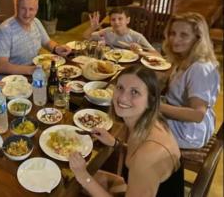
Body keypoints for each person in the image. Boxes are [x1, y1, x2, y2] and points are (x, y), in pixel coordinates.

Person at [69, 65, 183, 197]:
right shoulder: (148, 123)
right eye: (120, 88)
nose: (122, 98)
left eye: (134, 92)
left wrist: (83, 176)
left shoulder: (148, 155)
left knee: (76, 183)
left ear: (150, 101)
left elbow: (142, 159)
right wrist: (116, 143)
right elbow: (137, 155)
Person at [160, 12, 220, 149]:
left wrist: (157, 106)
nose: (175, 40)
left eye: (184, 35)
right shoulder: (185, 58)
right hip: (180, 119)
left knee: (133, 121)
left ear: (198, 39)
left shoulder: (200, 68)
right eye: (172, 33)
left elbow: (197, 114)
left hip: (189, 131)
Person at [0, 0, 71, 75]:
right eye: (23, 8)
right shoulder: (5, 29)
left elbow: (47, 42)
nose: (27, 14)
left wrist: (57, 48)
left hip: (33, 71)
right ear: (17, 8)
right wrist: (31, 70)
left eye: (31, 9)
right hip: (12, 78)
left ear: (36, 10)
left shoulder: (36, 22)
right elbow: (1, 66)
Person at [83, 8, 157, 54]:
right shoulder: (106, 32)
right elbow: (86, 36)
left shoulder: (137, 37)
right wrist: (92, 28)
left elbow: (156, 54)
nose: (116, 22)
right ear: (110, 21)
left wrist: (140, 51)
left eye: (120, 19)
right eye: (113, 20)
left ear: (127, 20)